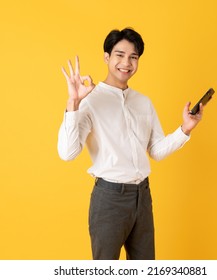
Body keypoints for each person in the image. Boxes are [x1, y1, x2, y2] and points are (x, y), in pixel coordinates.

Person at [57, 28, 204, 260]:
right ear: (107, 57)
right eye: (120, 54)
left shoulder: (144, 102)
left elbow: (156, 151)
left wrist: (185, 128)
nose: (126, 62)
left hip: (142, 197)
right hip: (109, 199)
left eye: (133, 57)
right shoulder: (89, 101)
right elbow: (67, 153)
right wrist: (73, 103)